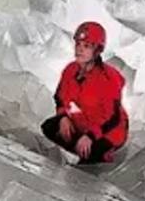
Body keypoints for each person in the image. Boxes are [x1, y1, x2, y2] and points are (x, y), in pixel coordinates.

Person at [41, 21, 129, 164]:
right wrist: (63, 116)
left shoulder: (108, 78)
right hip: (85, 122)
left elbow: (112, 118)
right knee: (50, 127)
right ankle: (79, 150)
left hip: (109, 131)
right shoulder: (70, 70)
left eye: (86, 46)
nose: (80, 50)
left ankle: (101, 155)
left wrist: (90, 136)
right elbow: (60, 97)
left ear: (97, 50)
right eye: (78, 45)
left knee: (92, 154)